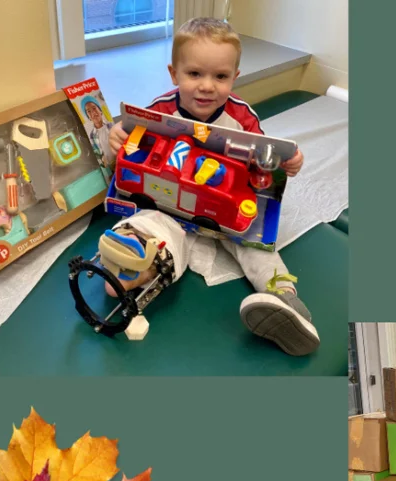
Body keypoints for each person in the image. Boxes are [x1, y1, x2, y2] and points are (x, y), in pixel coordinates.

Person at [106, 18, 318, 357]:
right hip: (172, 207)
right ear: (174, 74)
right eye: (194, 74)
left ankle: (286, 304)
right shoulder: (155, 112)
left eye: (220, 77)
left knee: (255, 244)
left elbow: (266, 163)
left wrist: (289, 163)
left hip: (224, 209)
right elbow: (127, 156)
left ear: (234, 78)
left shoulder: (242, 118)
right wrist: (114, 139)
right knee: (154, 227)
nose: (207, 86)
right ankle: (132, 268)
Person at [82, 97, 115, 170]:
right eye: (89, 111)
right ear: (89, 117)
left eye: (94, 108)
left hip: (122, 161)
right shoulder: (92, 136)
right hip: (110, 168)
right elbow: (97, 154)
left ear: (100, 111)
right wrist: (103, 162)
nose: (93, 113)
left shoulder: (112, 126)